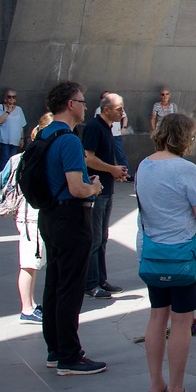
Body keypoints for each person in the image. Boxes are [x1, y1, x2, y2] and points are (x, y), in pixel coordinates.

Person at [137, 112, 196, 392]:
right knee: (181, 321)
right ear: (185, 137)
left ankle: (156, 386)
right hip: (183, 255)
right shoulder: (185, 169)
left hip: (154, 254)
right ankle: (177, 391)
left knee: (157, 316)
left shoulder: (144, 166)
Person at [36, 81, 107, 376]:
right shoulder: (69, 140)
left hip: (50, 215)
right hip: (70, 217)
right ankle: (69, 355)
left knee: (54, 283)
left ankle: (55, 349)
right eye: (82, 101)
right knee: (70, 288)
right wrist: (94, 187)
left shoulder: (45, 134)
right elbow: (77, 188)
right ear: (70, 104)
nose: (85, 106)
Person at [0, 113, 52, 323]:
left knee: (33, 262)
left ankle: (30, 304)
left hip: (30, 215)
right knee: (29, 262)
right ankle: (27, 308)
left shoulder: (28, 155)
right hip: (31, 216)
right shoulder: (34, 157)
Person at [81, 93, 129, 299]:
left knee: (102, 238)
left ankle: (100, 279)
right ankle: (91, 284)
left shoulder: (108, 128)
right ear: (106, 109)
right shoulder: (93, 127)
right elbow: (88, 158)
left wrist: (114, 172)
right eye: (119, 108)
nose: (122, 112)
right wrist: (111, 169)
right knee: (95, 238)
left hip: (106, 189)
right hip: (97, 191)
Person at [0, 89, 27, 173]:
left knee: (13, 158)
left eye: (13, 97)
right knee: (5, 157)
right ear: (6, 98)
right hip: (4, 137)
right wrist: (8, 111)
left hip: (15, 138)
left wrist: (22, 138)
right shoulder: (1, 107)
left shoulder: (19, 109)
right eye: (9, 97)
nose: (11, 99)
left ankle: (10, 176)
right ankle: (2, 176)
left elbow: (21, 125)